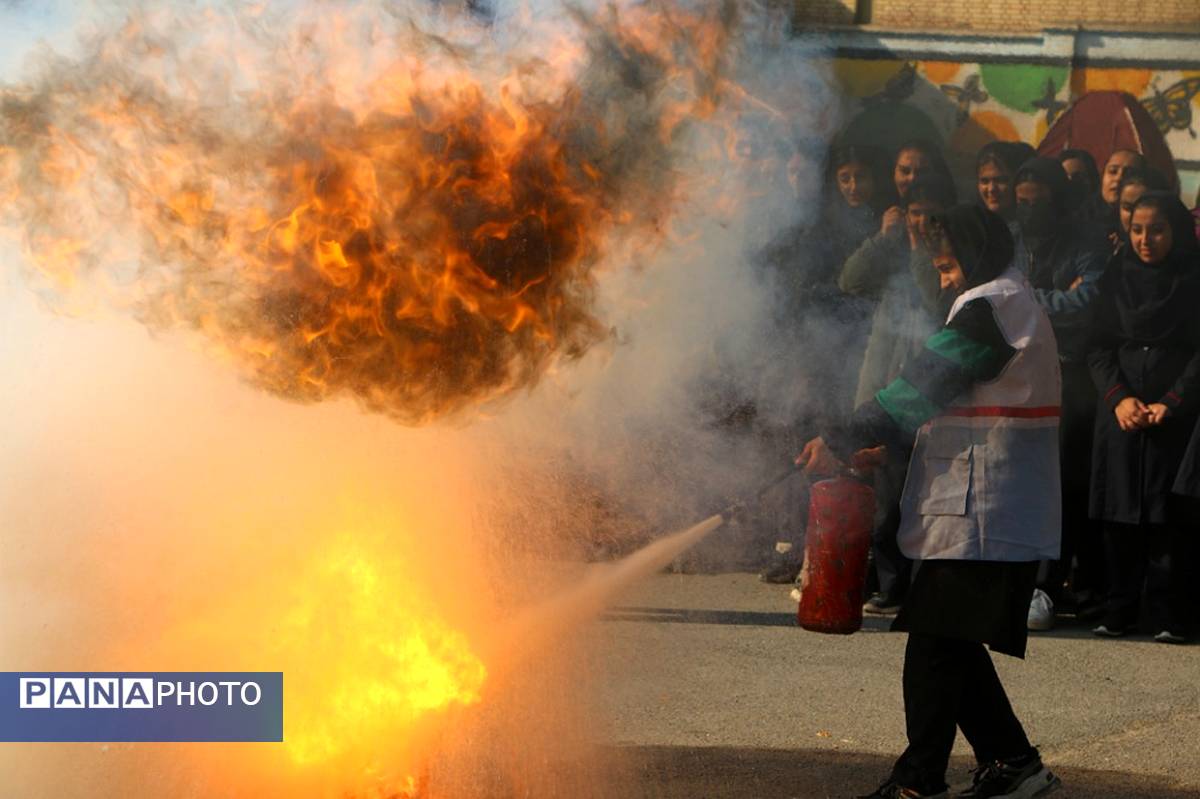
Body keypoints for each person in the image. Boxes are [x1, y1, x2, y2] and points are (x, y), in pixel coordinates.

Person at [801, 204, 1063, 799]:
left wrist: (843, 434)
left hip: (987, 508)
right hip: (984, 505)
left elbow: (924, 382)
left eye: (947, 266)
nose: (942, 277)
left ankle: (919, 780)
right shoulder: (1004, 302)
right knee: (950, 640)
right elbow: (951, 399)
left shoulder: (991, 305)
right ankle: (1013, 763)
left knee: (934, 647)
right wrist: (880, 447)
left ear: (973, 254)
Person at [756, 143, 887, 584]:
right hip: (811, 352)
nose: (853, 186)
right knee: (804, 449)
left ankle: (848, 553)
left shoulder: (880, 225)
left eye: (861, 177)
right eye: (845, 178)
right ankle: (801, 546)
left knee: (848, 452)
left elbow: (853, 289)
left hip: (858, 354)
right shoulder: (814, 228)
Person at [838, 175, 956, 613]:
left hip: (925, 395)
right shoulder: (892, 251)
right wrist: (883, 240)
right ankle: (888, 585)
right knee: (885, 498)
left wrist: (922, 253)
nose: (919, 221)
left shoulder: (942, 260)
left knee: (919, 496)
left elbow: (933, 303)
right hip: (886, 387)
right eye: (913, 213)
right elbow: (850, 280)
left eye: (928, 214)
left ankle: (917, 587)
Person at [1087, 192, 1200, 643]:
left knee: (1167, 515)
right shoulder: (1115, 278)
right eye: (1136, 230)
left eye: (1156, 229)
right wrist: (1119, 399)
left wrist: (1173, 401)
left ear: (1175, 229)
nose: (1146, 239)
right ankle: (1119, 609)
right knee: (1119, 511)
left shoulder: (1192, 279)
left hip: (1177, 417)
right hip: (1123, 414)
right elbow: (1097, 346)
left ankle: (1168, 613)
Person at [1010, 157, 1110, 630]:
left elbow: (1086, 304)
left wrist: (1029, 298)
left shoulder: (1084, 241)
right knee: (1023, 480)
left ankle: (1048, 585)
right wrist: (1046, 297)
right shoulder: (1013, 239)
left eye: (1038, 200)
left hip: (1072, 378)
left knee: (1064, 486)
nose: (1030, 209)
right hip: (1020, 375)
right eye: (1022, 201)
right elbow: (996, 300)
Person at [975, 141, 1035, 223]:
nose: (991, 189)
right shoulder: (974, 225)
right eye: (984, 181)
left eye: (1000, 180)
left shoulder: (1031, 227)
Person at [1058, 148, 1105, 222]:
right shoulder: (1052, 217)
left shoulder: (1103, 217)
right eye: (1063, 177)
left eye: (1077, 177)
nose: (1069, 182)